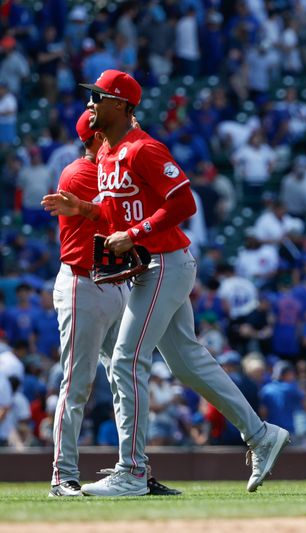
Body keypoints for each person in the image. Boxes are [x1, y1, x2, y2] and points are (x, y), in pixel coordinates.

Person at [42, 70, 289, 496]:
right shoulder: (106, 157)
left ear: (121, 104)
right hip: (150, 265)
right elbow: (116, 218)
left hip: (163, 263)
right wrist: (84, 209)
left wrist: (135, 234)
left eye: (97, 97)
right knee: (186, 361)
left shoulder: (144, 149)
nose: (89, 105)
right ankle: (261, 434)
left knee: (125, 360)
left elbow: (184, 202)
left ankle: (133, 471)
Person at [48, 110, 180, 497]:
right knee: (77, 384)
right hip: (82, 285)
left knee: (128, 376)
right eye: (105, 133)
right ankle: (62, 475)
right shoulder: (82, 173)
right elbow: (122, 208)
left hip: (117, 284)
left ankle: (134, 471)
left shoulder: (110, 165)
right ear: (95, 137)